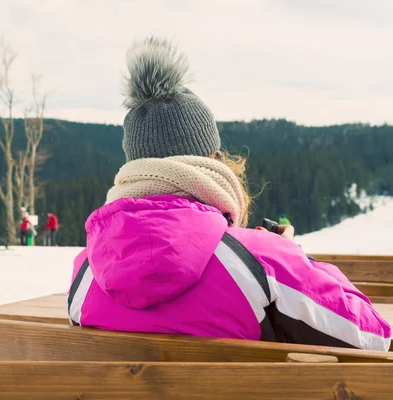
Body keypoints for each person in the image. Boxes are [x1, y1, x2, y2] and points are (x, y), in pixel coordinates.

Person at [66, 37, 391, 351]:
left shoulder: (87, 271)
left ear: (133, 165)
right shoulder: (260, 261)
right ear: (210, 161)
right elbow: (373, 337)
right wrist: (298, 259)